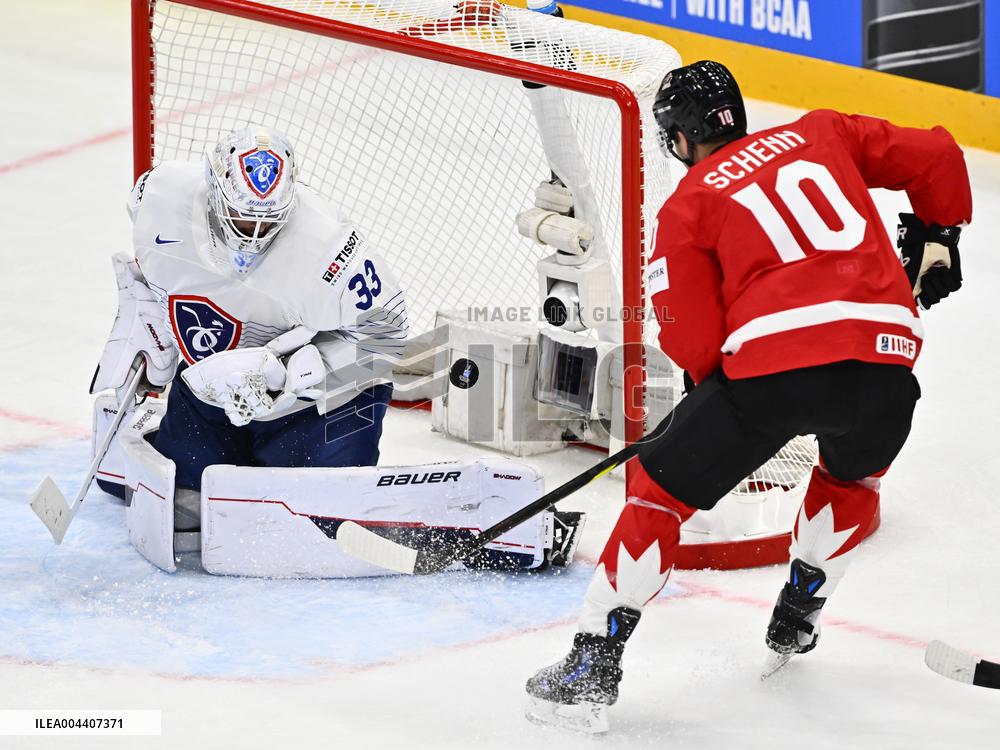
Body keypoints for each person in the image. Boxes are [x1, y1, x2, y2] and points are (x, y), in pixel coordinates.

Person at [524, 60, 972, 732]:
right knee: (853, 478)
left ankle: (592, 664)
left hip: (772, 370)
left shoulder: (690, 202)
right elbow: (938, 153)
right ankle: (797, 617)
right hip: (887, 369)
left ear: (678, 139)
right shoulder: (824, 132)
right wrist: (939, 236)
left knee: (656, 491)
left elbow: (691, 333)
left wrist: (718, 411)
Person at [90, 124, 407, 533]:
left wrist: (295, 375)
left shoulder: (330, 247)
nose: (253, 232)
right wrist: (147, 316)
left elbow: (388, 333)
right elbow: (150, 267)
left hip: (311, 405)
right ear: (213, 190)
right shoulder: (159, 193)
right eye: (241, 215)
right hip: (210, 384)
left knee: (315, 521)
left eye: (268, 220)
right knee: (183, 511)